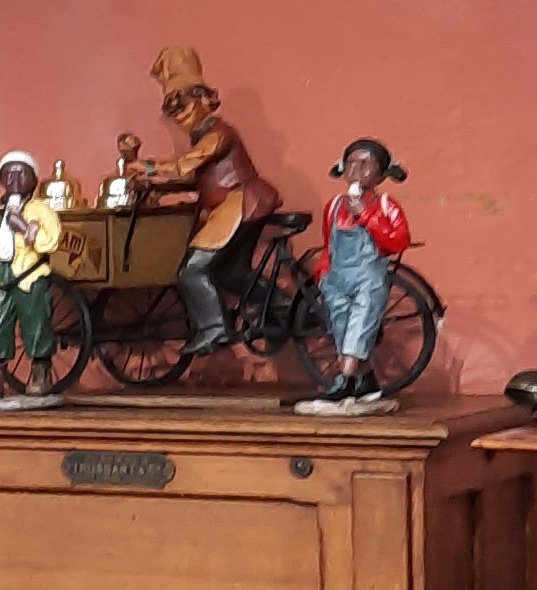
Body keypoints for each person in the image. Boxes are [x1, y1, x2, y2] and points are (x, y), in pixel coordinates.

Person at [129, 43, 278, 357]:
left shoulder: (218, 134)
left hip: (241, 204)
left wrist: (150, 167)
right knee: (232, 273)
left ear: (203, 99)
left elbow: (188, 165)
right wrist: (157, 187)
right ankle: (285, 308)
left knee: (192, 270)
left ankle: (213, 328)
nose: (180, 115)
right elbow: (195, 177)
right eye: (173, 109)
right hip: (236, 207)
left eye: (184, 105)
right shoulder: (204, 137)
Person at [297, 139, 411, 413]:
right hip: (337, 279)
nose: (357, 170)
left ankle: (344, 378)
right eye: (351, 163)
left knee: (360, 327)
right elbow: (329, 244)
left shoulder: (385, 205)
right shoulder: (334, 206)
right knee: (341, 328)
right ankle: (365, 380)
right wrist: (324, 275)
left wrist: (366, 216)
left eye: (366, 164)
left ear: (381, 173)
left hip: (368, 278)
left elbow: (398, 240)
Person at [0, 151, 62, 408]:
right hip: (0, 276)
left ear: (33, 179)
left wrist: (25, 228)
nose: (14, 179)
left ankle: (40, 375)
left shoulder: (41, 210)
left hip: (29, 276)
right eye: (8, 174)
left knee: (35, 324)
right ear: (0, 181)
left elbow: (51, 242)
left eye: (21, 174)